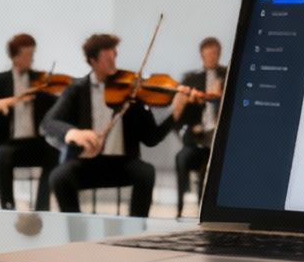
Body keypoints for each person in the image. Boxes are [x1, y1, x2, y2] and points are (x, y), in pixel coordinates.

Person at [42, 34, 201, 218]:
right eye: (108, 58)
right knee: (59, 177)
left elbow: (151, 138)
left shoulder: (130, 92)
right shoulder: (77, 90)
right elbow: (49, 122)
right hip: (85, 164)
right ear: (93, 61)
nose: (114, 63)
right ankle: (75, 229)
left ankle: (135, 230)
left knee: (145, 172)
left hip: (122, 164)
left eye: (115, 56)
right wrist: (72, 132)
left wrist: (175, 112)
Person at [0, 33, 56, 211]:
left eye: (33, 54)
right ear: (15, 57)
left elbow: (56, 109)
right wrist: (10, 101)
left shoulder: (40, 80)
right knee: (2, 156)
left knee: (56, 154)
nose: (32, 59)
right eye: (28, 55)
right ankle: (8, 207)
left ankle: (42, 208)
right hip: (5, 144)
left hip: (34, 144)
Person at [171, 36, 227, 215]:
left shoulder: (228, 76)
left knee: (213, 163)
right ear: (202, 55)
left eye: (215, 53)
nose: (212, 57)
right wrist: (184, 132)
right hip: (196, 138)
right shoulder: (191, 79)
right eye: (208, 54)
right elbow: (177, 116)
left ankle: (209, 210)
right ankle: (179, 208)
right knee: (181, 158)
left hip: (219, 137)